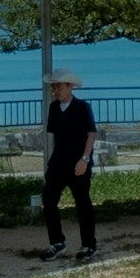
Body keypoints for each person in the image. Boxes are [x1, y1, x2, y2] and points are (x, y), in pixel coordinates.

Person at [37, 72, 98, 260]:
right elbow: (57, 136)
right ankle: (57, 242)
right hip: (58, 162)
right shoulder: (54, 108)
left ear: (70, 86)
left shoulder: (82, 107)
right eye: (53, 87)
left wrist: (84, 159)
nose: (55, 90)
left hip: (79, 162)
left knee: (82, 203)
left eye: (59, 86)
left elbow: (91, 135)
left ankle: (89, 245)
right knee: (49, 200)